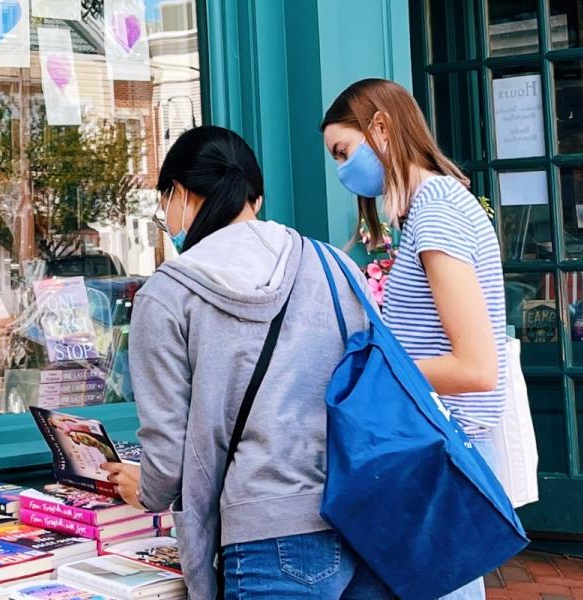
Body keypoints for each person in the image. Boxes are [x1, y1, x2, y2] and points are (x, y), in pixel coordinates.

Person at [103, 125, 392, 599]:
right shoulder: (333, 264)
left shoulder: (167, 294)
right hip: (368, 515)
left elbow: (167, 449)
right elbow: (379, 379)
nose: (168, 220)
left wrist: (147, 490)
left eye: (164, 206)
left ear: (179, 193)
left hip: (267, 531)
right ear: (251, 199)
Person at [321, 78, 507, 600]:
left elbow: (474, 366)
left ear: (380, 127)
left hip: (441, 464)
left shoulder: (439, 213)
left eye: (343, 151)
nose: (341, 170)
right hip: (438, 459)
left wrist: (367, 376)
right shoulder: (435, 207)